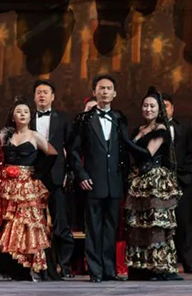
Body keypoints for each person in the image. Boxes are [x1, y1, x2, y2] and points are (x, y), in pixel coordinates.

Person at [68, 74, 135, 283]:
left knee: (110, 229)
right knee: (94, 228)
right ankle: (95, 271)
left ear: (114, 93)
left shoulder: (119, 118)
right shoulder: (84, 119)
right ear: (94, 92)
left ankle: (109, 270)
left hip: (114, 182)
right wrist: (81, 174)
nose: (105, 91)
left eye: (109, 88)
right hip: (92, 182)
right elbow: (73, 150)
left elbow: (125, 149)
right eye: (101, 88)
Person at [0, 96, 57, 281]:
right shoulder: (5, 135)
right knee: (10, 224)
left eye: (25, 112)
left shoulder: (35, 135)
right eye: (19, 112)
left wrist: (38, 173)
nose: (22, 114)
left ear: (30, 116)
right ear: (13, 116)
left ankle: (31, 265)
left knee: (28, 223)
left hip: (28, 186)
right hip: (8, 186)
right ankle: (13, 267)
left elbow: (52, 153)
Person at [125, 88, 182, 281]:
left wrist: (124, 140)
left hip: (155, 181)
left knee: (155, 225)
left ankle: (160, 267)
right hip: (139, 181)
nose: (148, 109)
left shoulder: (161, 129)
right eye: (145, 105)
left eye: (152, 106)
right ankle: (141, 266)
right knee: (139, 224)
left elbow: (147, 153)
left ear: (159, 110)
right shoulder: (139, 130)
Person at [30, 80, 74, 280]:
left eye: (46, 92)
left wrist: (68, 173)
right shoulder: (27, 117)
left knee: (61, 223)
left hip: (57, 176)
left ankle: (64, 265)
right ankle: (37, 266)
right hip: (33, 176)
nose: (42, 95)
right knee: (34, 222)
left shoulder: (62, 119)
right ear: (34, 96)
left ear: (53, 96)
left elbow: (71, 149)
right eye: (39, 92)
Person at [161, 93, 192, 275]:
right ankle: (164, 262)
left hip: (182, 180)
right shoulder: (147, 129)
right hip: (159, 181)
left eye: (166, 106)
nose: (163, 109)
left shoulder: (183, 128)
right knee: (161, 223)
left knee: (184, 223)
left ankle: (189, 263)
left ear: (173, 108)